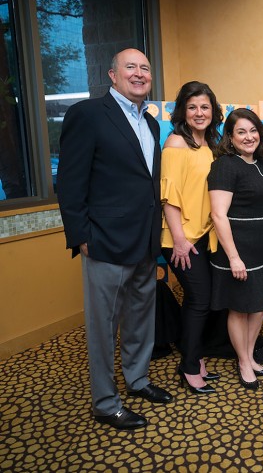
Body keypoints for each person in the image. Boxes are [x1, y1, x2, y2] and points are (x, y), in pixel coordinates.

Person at [57, 49, 172, 430]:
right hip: (104, 240)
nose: (139, 74)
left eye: (145, 68)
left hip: (144, 240)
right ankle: (106, 403)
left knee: (141, 319)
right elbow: (70, 182)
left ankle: (138, 380)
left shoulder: (152, 124)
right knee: (103, 328)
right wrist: (81, 236)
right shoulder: (88, 115)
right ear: (112, 74)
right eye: (131, 67)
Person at [209, 108, 263, 390]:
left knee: (258, 306)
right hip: (238, 250)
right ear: (230, 136)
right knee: (240, 309)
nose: (248, 137)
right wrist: (234, 257)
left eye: (253, 131)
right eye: (241, 131)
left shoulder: (261, 163)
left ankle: (250, 355)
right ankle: (242, 361)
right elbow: (218, 215)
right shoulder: (226, 165)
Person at [160, 81, 223, 395]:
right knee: (199, 300)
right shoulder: (175, 144)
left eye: (205, 107)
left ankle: (194, 357)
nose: (200, 113)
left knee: (205, 300)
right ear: (183, 112)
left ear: (213, 111)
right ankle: (188, 366)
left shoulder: (208, 144)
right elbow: (168, 198)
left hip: (204, 236)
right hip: (181, 238)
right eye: (193, 107)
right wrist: (180, 239)